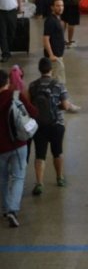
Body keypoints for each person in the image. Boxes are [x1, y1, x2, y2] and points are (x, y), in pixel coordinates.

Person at [0, 68, 38, 227]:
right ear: (7, 82)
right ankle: (13, 211)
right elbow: (34, 112)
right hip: (18, 144)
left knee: (2, 179)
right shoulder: (15, 95)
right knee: (18, 177)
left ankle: (6, 207)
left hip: (0, 149)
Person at [28, 57, 71, 196]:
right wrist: (55, 107)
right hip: (56, 123)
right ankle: (59, 178)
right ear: (51, 70)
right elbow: (65, 105)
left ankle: (39, 183)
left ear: (39, 69)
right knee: (57, 152)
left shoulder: (33, 85)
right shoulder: (58, 85)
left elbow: (29, 106)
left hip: (39, 125)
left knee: (40, 154)